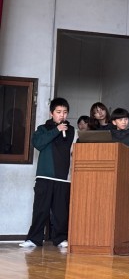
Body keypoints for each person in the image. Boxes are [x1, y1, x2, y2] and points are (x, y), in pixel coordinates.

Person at [19, 98, 74, 248]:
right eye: (58, 112)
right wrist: (56, 130)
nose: (62, 115)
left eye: (65, 112)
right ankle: (34, 239)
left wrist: (62, 130)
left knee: (61, 212)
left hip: (64, 178)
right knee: (40, 209)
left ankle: (61, 239)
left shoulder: (72, 130)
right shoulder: (43, 129)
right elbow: (38, 144)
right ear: (51, 113)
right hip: (45, 175)